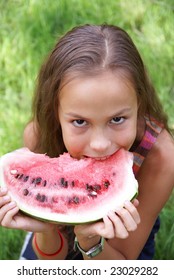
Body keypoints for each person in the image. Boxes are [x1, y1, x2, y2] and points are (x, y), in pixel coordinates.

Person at [0, 24, 173, 260]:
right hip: (60, 234)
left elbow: (122, 261)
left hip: (124, 238)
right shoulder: (39, 136)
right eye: (80, 122)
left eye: (118, 119)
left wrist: (90, 242)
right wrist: (46, 227)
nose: (100, 144)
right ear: (56, 113)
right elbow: (51, 261)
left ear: (139, 104)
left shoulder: (161, 158)